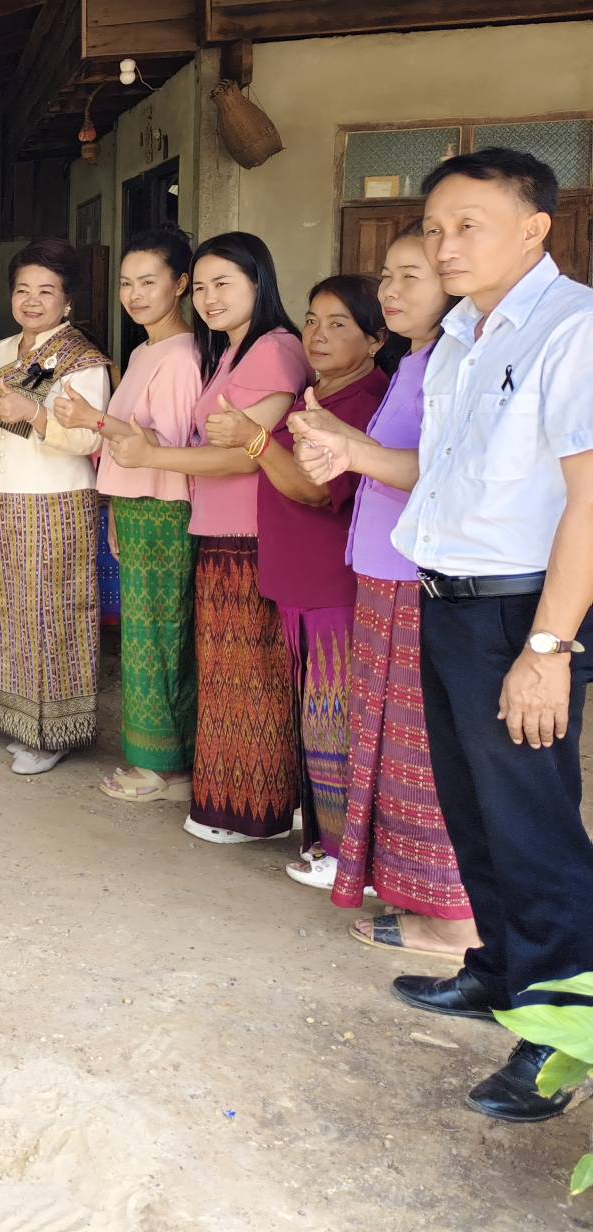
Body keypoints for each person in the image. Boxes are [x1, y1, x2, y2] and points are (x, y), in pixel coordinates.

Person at [376, 149, 593, 1123]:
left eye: (467, 224)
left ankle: (557, 1043)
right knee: (473, 811)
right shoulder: (461, 334)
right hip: (448, 597)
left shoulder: (573, 327)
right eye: (433, 226)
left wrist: (546, 650)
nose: (443, 243)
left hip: (517, 612)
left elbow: (587, 500)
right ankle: (500, 973)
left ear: (534, 227)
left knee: (532, 830)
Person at [287, 227, 475, 961]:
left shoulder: (453, 363)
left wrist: (348, 448)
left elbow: (440, 469)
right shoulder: (418, 360)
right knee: (393, 747)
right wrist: (335, 432)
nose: (392, 292)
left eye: (411, 277)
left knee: (420, 753)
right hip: (383, 573)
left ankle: (455, 922)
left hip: (414, 579)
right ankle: (422, 900)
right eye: (388, 277)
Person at [108, 233, 310, 845]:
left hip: (254, 531)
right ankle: (234, 799)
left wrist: (154, 453)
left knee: (254, 674)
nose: (209, 298)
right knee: (227, 673)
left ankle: (262, 810)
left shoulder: (276, 349)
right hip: (218, 530)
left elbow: (251, 457)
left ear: (259, 283)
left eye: (224, 283)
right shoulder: (228, 353)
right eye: (201, 287)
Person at [231, 276, 390, 883]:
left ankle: (348, 852)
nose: (319, 335)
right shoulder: (315, 394)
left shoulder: (363, 401)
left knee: (335, 718)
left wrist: (252, 442)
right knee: (315, 714)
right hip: (297, 579)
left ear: (376, 340)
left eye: (339, 324)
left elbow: (315, 489)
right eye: (312, 320)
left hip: (332, 585)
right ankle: (326, 834)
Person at [53, 226, 203, 803]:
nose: (135, 294)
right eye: (125, 283)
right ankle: (156, 757)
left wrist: (92, 418)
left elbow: (161, 444)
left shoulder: (182, 356)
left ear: (180, 285)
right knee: (145, 634)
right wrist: (114, 504)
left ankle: (167, 768)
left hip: (165, 507)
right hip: (136, 505)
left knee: (159, 636)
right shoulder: (144, 350)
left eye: (149, 282)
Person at [0, 237, 112, 776]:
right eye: (23, 289)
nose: (32, 300)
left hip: (54, 502)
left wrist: (33, 412)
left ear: (68, 301)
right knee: (6, 614)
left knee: (51, 616)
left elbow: (90, 441)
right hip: (1, 499)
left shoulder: (82, 362)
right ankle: (20, 722)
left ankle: (54, 730)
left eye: (46, 291)